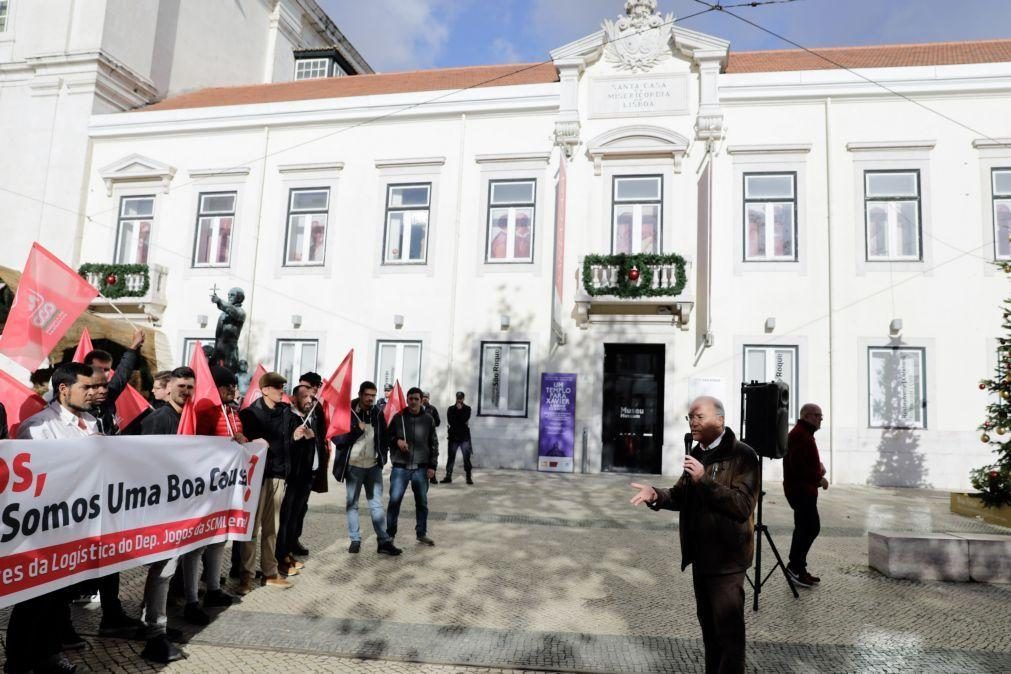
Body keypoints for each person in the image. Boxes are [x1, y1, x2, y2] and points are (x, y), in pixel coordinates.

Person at [629, 396, 759, 674]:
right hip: (701, 559)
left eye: (699, 416)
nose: (693, 423)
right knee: (710, 633)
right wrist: (656, 495)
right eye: (690, 417)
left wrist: (704, 480)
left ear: (720, 420)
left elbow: (742, 506)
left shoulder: (743, 455)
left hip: (727, 561)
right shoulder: (698, 454)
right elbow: (681, 495)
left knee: (729, 637)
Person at [7, 363, 101, 674]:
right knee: (33, 598)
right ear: (63, 389)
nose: (93, 393)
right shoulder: (37, 427)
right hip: (42, 529)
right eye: (86, 387)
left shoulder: (91, 422)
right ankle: (19, 663)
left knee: (60, 596)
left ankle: (48, 655)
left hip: (75, 525)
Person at [178, 366, 245, 626]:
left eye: (233, 386)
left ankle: (214, 588)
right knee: (196, 545)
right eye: (227, 386)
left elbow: (235, 439)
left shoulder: (231, 412)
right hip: (204, 487)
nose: (232, 390)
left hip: (223, 488)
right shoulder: (206, 412)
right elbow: (199, 443)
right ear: (215, 389)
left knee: (219, 539)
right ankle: (192, 599)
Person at [137, 367, 195, 664]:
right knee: (162, 569)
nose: (186, 392)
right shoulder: (158, 419)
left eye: (190, 387)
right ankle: (152, 631)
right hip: (160, 509)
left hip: (181, 507)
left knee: (169, 569)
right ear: (168, 387)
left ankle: (156, 623)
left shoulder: (190, 418)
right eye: (182, 386)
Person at [332, 381, 402, 556]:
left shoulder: (377, 413)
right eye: (368, 395)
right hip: (353, 466)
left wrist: (383, 457)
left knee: (377, 505)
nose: (371, 398)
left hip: (372, 466)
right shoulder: (347, 412)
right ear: (360, 394)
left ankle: (384, 541)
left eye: (373, 395)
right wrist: (356, 429)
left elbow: (384, 437)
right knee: (352, 504)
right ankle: (355, 539)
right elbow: (338, 440)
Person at [237, 372, 292, 592]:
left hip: (278, 475)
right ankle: (246, 576)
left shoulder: (286, 412)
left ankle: (270, 573)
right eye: (277, 387)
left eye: (283, 387)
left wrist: (296, 436)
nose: (281, 391)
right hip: (256, 478)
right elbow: (241, 443)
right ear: (265, 389)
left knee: (272, 529)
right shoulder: (250, 414)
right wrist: (250, 440)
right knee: (251, 528)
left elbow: (289, 441)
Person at [275, 385, 323, 576]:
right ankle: (281, 556)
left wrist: (313, 437)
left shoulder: (312, 416)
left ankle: (288, 551)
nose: (310, 400)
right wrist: (295, 438)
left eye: (312, 397)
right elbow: (284, 444)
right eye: (305, 397)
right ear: (294, 399)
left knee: (296, 516)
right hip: (294, 475)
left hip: (308, 475)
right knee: (286, 518)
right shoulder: (289, 416)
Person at [783, 403, 829, 588]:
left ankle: (798, 567)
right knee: (809, 528)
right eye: (818, 416)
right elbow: (798, 466)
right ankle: (795, 568)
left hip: (802, 490)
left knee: (806, 528)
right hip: (801, 490)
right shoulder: (801, 436)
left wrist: (818, 466)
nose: (821, 420)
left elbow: (804, 461)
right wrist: (820, 478)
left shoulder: (803, 434)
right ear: (808, 416)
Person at [387, 387, 439, 546]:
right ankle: (390, 534)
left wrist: (432, 466)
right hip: (400, 467)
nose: (413, 401)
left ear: (421, 399)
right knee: (394, 502)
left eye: (416, 399)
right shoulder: (398, 417)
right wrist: (397, 441)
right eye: (410, 398)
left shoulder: (428, 419)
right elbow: (387, 437)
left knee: (422, 503)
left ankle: (421, 533)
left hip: (421, 468)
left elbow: (434, 444)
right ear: (407, 399)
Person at [83, 328, 145, 433]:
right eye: (99, 369)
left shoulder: (108, 394)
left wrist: (134, 346)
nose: (103, 391)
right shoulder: (74, 404)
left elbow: (122, 373)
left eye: (106, 369)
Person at [441, 391, 473, 485]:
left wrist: (460, 411)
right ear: (456, 398)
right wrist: (458, 412)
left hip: (464, 438)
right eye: (458, 398)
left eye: (461, 398)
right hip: (453, 437)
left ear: (463, 398)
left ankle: (468, 476)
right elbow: (451, 421)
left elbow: (464, 419)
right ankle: (448, 476)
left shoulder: (467, 409)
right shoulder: (451, 409)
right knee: (451, 457)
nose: (459, 400)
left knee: (466, 458)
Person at [421, 392, 441, 485]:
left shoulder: (432, 409)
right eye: (423, 397)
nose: (425, 399)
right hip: (420, 435)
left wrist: (431, 423)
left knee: (432, 454)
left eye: (426, 397)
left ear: (429, 398)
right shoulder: (418, 408)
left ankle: (433, 476)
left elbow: (438, 422)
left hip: (430, 435)